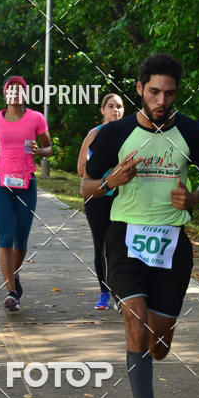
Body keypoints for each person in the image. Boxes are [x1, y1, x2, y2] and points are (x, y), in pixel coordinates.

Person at [82, 53, 199, 398]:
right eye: (154, 91)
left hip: (172, 244)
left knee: (158, 345)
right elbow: (87, 186)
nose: (162, 100)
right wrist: (111, 181)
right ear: (140, 88)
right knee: (135, 321)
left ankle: (156, 353)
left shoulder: (191, 132)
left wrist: (194, 198)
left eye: (170, 93)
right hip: (125, 237)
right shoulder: (115, 134)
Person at [0, 76, 52, 311]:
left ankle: (15, 276)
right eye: (10, 90)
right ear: (5, 95)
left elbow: (50, 148)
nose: (14, 94)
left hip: (26, 183)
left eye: (19, 90)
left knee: (21, 242)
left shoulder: (36, 118)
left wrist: (40, 150)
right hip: (1, 182)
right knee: (5, 238)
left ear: (25, 94)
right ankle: (11, 291)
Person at [77, 93, 125, 309]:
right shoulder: (94, 134)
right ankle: (105, 292)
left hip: (121, 197)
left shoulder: (128, 133)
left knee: (118, 246)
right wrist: (106, 175)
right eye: (111, 106)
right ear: (103, 110)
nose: (116, 110)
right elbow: (80, 170)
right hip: (96, 197)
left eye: (120, 106)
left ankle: (121, 293)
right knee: (101, 244)